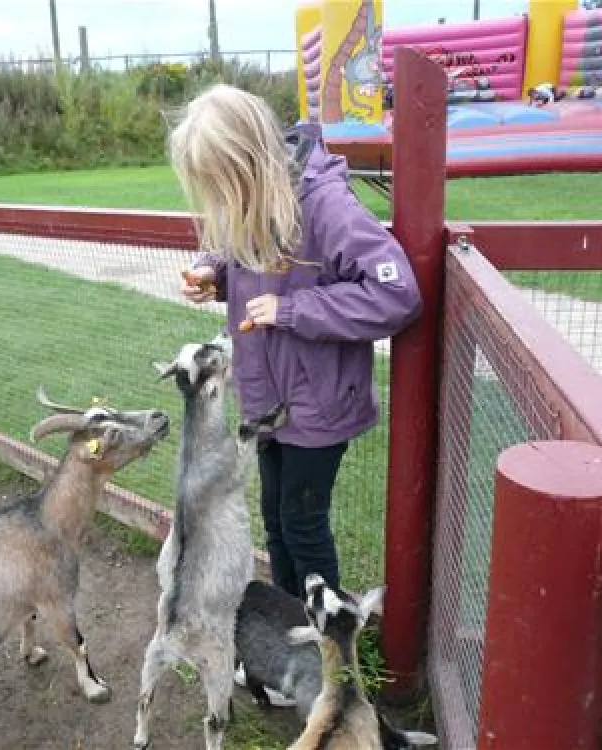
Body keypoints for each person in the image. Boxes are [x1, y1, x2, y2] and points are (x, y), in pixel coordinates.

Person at [171, 84, 423, 597]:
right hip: (267, 400)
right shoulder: (262, 196)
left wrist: (292, 311)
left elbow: (397, 293)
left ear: (251, 161)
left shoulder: (327, 206)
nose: (221, 199)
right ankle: (289, 635)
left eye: (224, 183)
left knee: (303, 527)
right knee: (277, 524)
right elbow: (246, 255)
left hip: (318, 404)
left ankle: (326, 654)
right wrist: (212, 272)